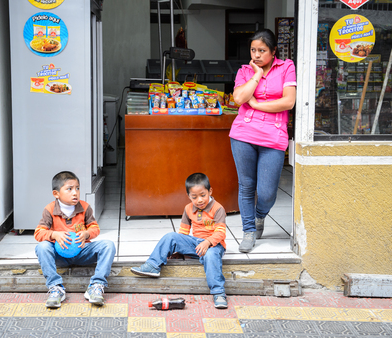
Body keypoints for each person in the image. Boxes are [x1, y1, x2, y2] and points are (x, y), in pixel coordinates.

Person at [230, 29, 296, 253]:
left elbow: (288, 102)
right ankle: (249, 231)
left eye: (262, 51)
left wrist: (257, 105)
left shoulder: (286, 67)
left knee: (267, 193)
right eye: (253, 50)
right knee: (246, 186)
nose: (256, 55)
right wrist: (256, 74)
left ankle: (260, 215)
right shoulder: (245, 71)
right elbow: (239, 98)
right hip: (243, 134)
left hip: (274, 136)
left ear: (273, 51)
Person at [130, 173, 228, 309]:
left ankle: (218, 293)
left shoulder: (218, 209)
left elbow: (220, 233)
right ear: (189, 196)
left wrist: (208, 242)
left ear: (210, 191)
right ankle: (153, 265)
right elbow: (183, 233)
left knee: (211, 255)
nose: (199, 200)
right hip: (196, 244)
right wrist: (180, 251)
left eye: (203, 195)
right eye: (194, 197)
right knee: (171, 236)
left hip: (214, 245)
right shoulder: (188, 208)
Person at [34, 171, 116, 308]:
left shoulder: (84, 207)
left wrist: (86, 234)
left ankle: (96, 285)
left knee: (108, 245)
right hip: (60, 255)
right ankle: (56, 288)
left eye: (77, 188)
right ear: (56, 194)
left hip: (82, 252)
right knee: (42, 247)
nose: (75, 192)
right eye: (69, 189)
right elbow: (38, 233)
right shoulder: (49, 209)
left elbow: (95, 228)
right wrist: (54, 234)